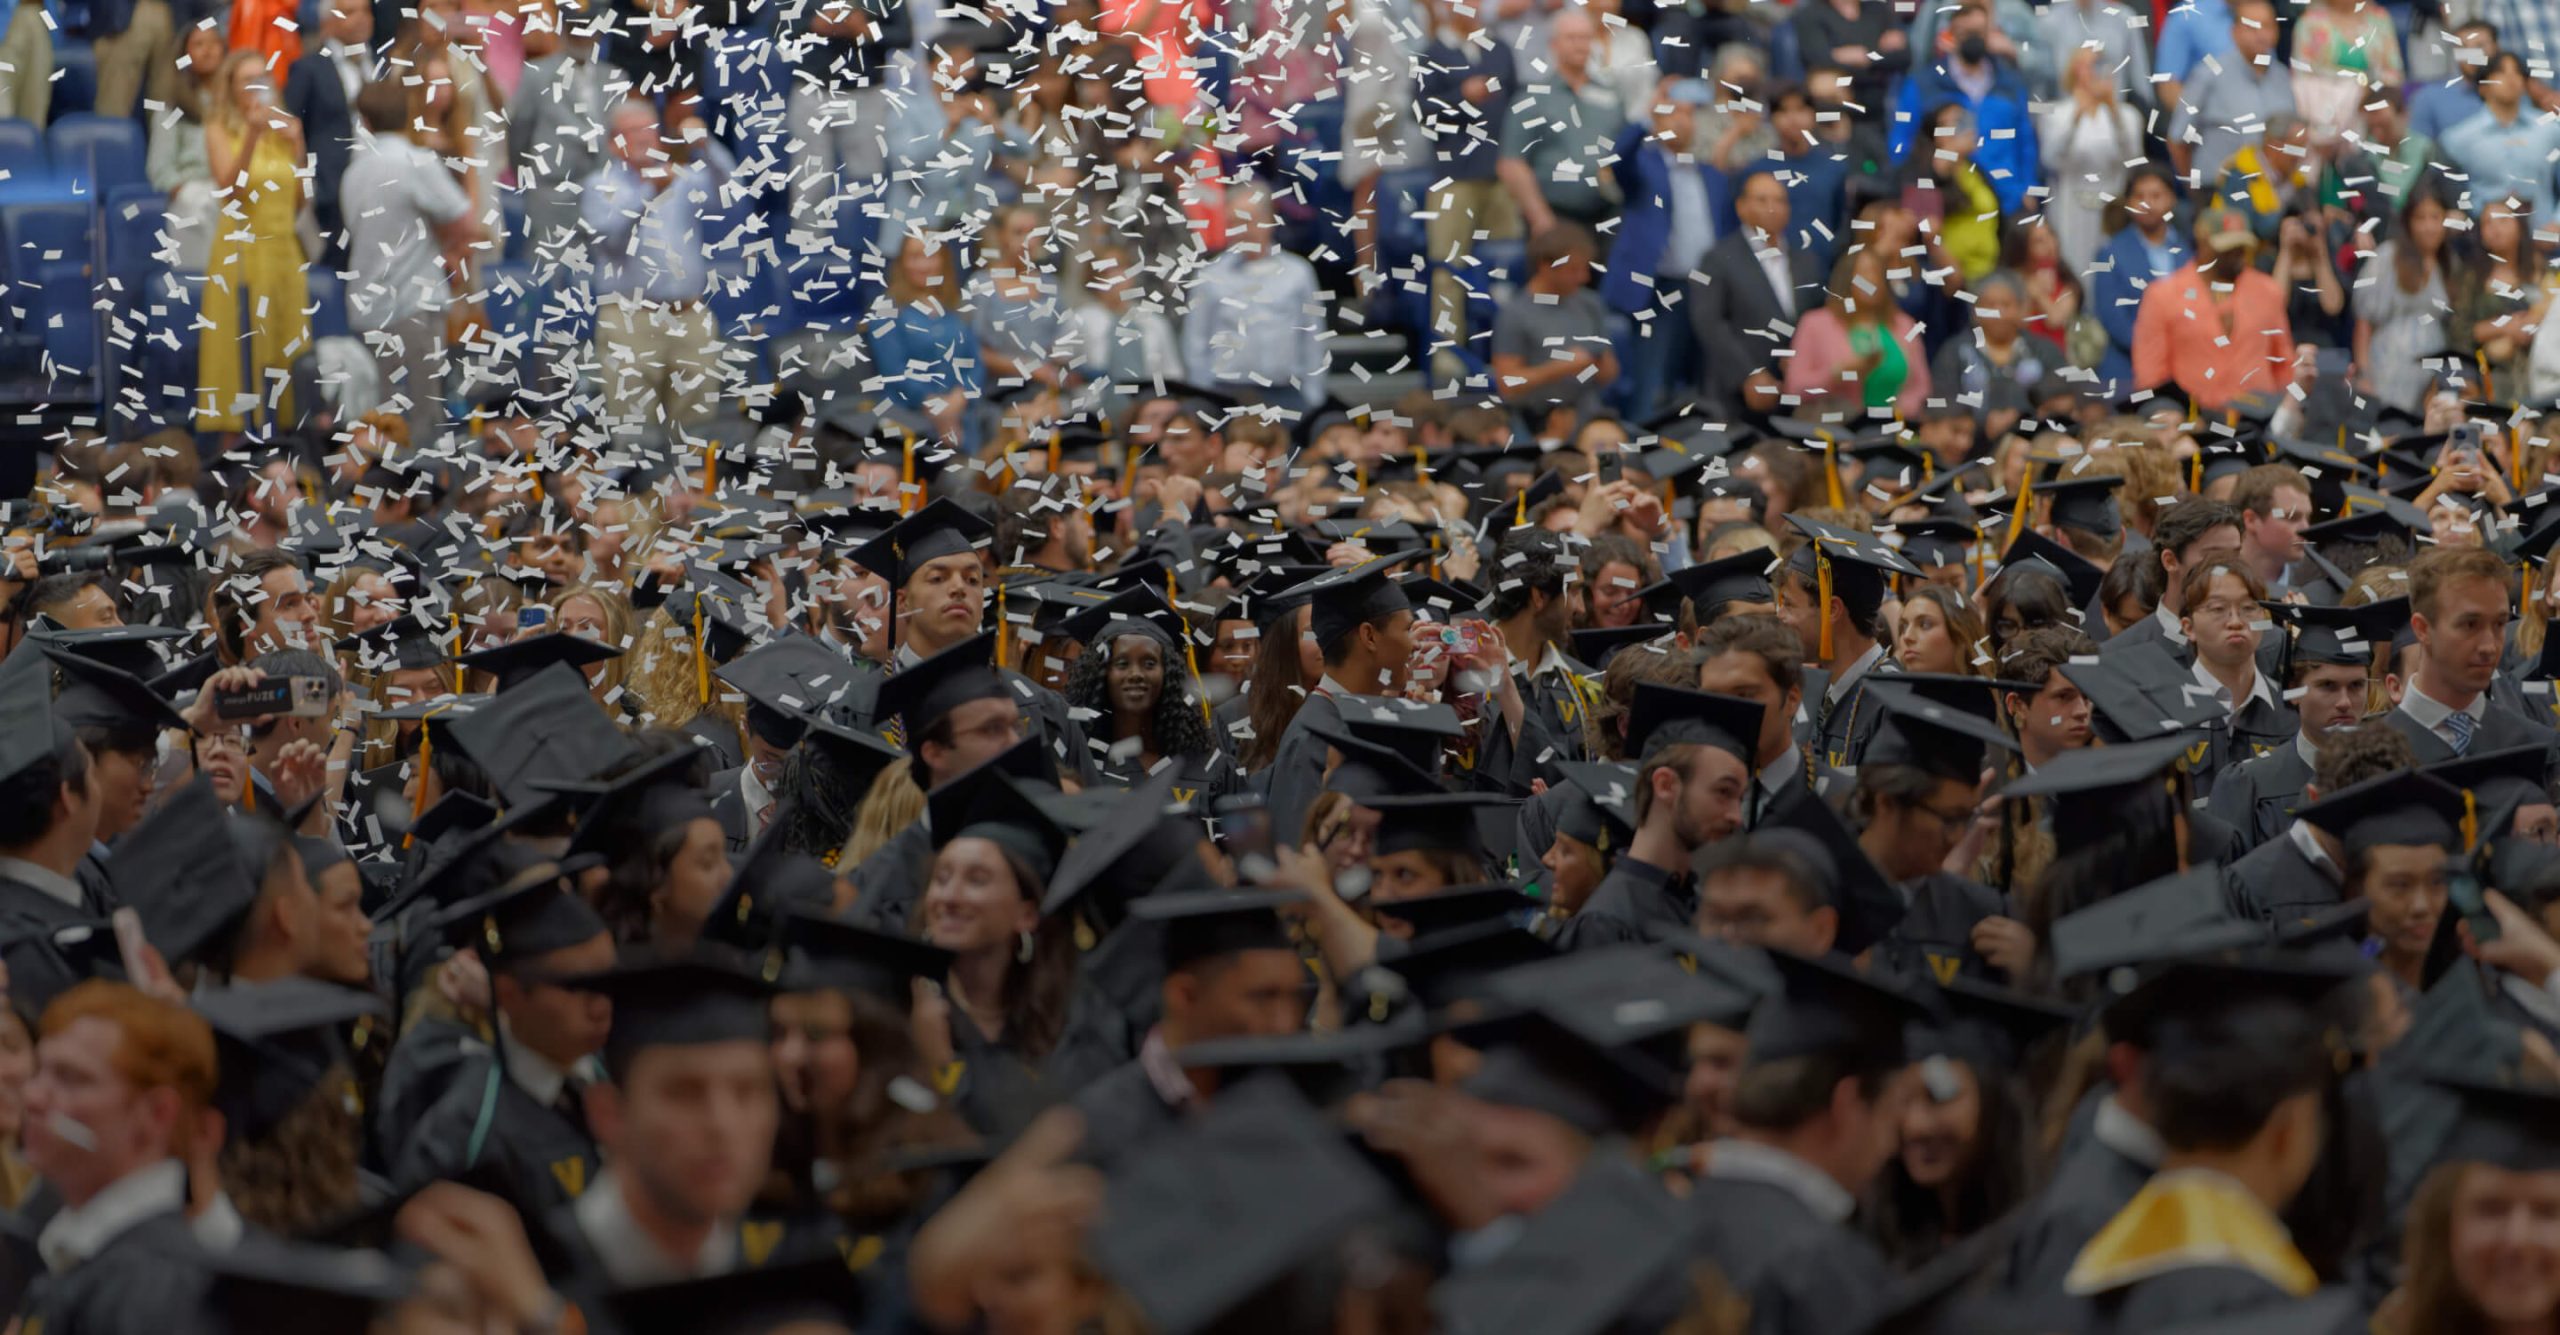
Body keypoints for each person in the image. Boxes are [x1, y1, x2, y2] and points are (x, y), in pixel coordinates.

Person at [1684, 950, 1932, 1334]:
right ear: (1848, 1105)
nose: (1894, 1142)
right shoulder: (1823, 1268)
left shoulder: (1666, 1211)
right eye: (1890, 1113)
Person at [550, 955, 790, 1285]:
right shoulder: (537, 1280)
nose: (722, 1125)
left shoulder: (783, 1273)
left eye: (747, 1092)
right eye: (685, 1093)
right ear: (608, 1115)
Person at [16, 982, 217, 1333]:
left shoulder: (152, 1285)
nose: (33, 1097)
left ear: (156, 1114)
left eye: (70, 1078)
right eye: (39, 1072)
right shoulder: (87, 1250)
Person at [1067, 892, 1306, 1170]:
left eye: (1296, 998)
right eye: (1263, 997)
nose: (1285, 1024)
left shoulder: (1302, 1105)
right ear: (1185, 996)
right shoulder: (1098, 1128)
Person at [910, 764, 1077, 1138]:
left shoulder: (1071, 1021)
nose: (949, 897)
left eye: (977, 880)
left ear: (1027, 913)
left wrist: (945, 1068)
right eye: (942, 877)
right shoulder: (903, 1009)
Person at [1557, 683, 1759, 949]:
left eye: (1740, 799)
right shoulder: (1607, 924)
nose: (1736, 817)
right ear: (1665, 785)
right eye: (1724, 792)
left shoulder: (1700, 906)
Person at [583, 96, 735, 439]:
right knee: (632, 434)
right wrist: (650, 189)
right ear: (612, 143)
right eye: (631, 131)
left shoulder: (683, 178)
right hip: (629, 321)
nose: (642, 137)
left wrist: (706, 146)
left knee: (697, 433)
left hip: (689, 317)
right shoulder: (600, 185)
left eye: (649, 129)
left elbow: (733, 192)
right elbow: (610, 238)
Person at [341, 78, 478, 450]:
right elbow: (466, 220)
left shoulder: (354, 169)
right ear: (409, 116)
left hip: (366, 310)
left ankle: (385, 501)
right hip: (411, 309)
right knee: (419, 426)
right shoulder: (415, 161)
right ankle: (416, 505)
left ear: (366, 121)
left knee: (381, 418)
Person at [2205, 602, 2392, 848]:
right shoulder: (2248, 785)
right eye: (2328, 686)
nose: (2345, 702)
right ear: (2294, 690)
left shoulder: (2390, 777)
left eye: (2356, 686)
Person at [196, 50, 311, 434]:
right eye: (246, 80)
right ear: (231, 89)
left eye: (261, 77)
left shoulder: (287, 127)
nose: (255, 87)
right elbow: (229, 190)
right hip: (242, 250)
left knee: (286, 350)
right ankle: (237, 455)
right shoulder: (218, 128)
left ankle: (286, 447)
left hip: (283, 249)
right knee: (238, 356)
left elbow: (302, 199)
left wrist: (298, 145)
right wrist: (252, 134)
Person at [2389, 545, 2547, 763]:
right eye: (2470, 625)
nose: (2489, 647)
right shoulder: (2370, 759)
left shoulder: (2535, 744)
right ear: (2422, 629)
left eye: (2500, 624)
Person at [1688, 169, 1822, 424]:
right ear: (1741, 207)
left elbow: (1815, 318)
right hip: (1735, 396)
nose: (1772, 208)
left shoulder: (1806, 261)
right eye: (1762, 200)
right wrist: (1748, 374)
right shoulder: (1718, 258)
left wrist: (1803, 361)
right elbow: (1709, 322)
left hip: (1794, 393)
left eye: (1780, 200)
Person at [1180, 182, 1328, 412]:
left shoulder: (1298, 272)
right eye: (1234, 222)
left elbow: (1313, 336)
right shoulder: (1209, 275)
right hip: (1226, 392)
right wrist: (1205, 395)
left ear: (1269, 219)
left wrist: (1313, 395)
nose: (1242, 230)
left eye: (1248, 220)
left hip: (1286, 392)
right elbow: (1196, 341)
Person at [2132, 205, 2295, 409]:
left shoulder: (2267, 291)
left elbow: (2284, 362)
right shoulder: (2162, 295)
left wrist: (2284, 412)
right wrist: (2169, 418)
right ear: (2203, 243)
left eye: (2242, 247)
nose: (2237, 255)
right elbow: (2150, 374)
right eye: (2227, 248)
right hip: (2194, 421)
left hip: (2258, 418)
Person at [1888, 0, 2039, 211]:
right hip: (1951, 201)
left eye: (1978, 31)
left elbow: (2027, 143)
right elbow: (1901, 144)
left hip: (2007, 198)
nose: (1972, 38)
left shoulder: (2010, 83)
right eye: (1965, 32)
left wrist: (2028, 189)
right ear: (1950, 34)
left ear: (1991, 32)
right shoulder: (1925, 83)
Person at [1694, 613, 1839, 829]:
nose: (1726, 711)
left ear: (1792, 699)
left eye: (1744, 695)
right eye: (1712, 697)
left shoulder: (1841, 803)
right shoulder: (1686, 798)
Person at [1494, 4, 1626, 240]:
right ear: (1553, 44)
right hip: (1556, 218)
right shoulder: (1532, 98)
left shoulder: (1611, 95)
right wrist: (1541, 219)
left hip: (1609, 216)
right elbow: (1512, 164)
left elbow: (1625, 151)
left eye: (1585, 38)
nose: (1580, 44)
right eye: (1571, 38)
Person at [1787, 245, 1934, 420]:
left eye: (1876, 273)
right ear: (1847, 278)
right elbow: (1794, 388)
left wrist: (1897, 412)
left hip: (1893, 430)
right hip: (1835, 428)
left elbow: (1922, 387)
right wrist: (1838, 373)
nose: (1871, 280)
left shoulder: (1904, 324)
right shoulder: (1815, 324)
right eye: (1864, 273)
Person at [2356, 184, 2461, 414]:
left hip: (2431, 376)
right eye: (2420, 218)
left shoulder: (2450, 264)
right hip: (2388, 367)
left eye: (2435, 217)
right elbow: (2364, 322)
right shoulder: (2388, 257)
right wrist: (2364, 375)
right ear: (2408, 222)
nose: (2428, 226)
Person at [2166, 0, 2296, 183]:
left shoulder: (2283, 77)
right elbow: (2178, 139)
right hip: (2218, 188)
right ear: (2234, 32)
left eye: (2267, 26)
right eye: (2252, 27)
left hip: (2273, 194)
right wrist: (2195, 190)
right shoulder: (2209, 74)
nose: (2261, 35)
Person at [283, 0, 368, 269]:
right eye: (351, 12)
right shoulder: (308, 68)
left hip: (379, 186)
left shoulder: (381, 63)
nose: (362, 18)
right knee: (338, 273)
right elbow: (292, 129)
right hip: (332, 193)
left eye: (366, 11)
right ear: (328, 22)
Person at [2442, 52, 2560, 228]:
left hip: (2544, 234)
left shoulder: (2550, 130)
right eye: (2501, 72)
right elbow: (2449, 192)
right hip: (2485, 239)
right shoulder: (2458, 138)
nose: (2511, 78)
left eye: (2517, 72)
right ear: (2483, 87)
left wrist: (2557, 223)